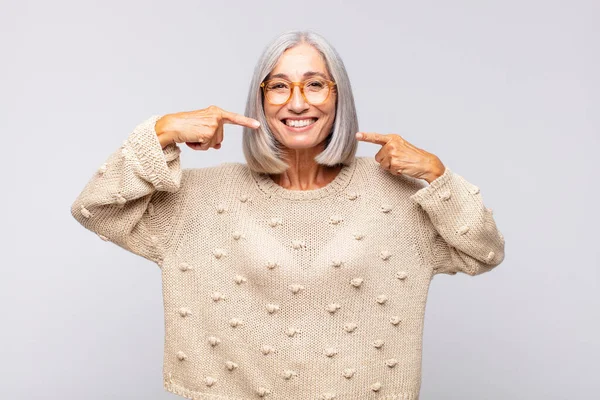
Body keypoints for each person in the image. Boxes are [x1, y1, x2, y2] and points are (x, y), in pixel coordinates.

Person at [71, 29, 505, 400]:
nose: (297, 102)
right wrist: (161, 131)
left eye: (315, 84)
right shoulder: (201, 198)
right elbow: (96, 208)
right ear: (260, 102)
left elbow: (484, 252)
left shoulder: (397, 197)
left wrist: (436, 173)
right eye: (279, 86)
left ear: (340, 98)